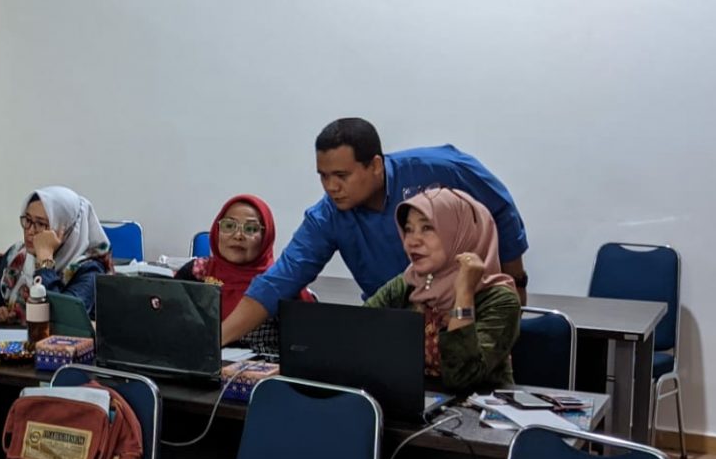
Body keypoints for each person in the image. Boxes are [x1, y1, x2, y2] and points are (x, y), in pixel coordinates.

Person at [221, 117, 529, 344]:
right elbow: (279, 281)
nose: (331, 187)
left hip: (467, 313)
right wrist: (215, 342)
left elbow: (501, 208)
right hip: (396, 326)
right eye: (323, 176)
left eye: (341, 175)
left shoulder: (439, 168)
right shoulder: (327, 216)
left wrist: (515, 283)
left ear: (376, 166)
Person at [366, 188, 521, 393]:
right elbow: (359, 335)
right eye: (409, 229)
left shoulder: (500, 300)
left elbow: (462, 377)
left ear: (460, 233)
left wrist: (464, 292)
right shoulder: (407, 284)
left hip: (475, 407)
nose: (412, 241)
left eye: (427, 228)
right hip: (412, 401)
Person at [0, 187, 112, 324]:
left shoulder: (90, 270)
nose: (30, 231)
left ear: (67, 230)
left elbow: (63, 321)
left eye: (41, 224)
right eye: (28, 220)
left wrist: (45, 260)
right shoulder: (16, 256)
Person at [173, 195, 282, 354]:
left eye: (251, 229)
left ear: (266, 237)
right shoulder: (196, 273)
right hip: (194, 363)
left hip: (259, 368)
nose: (238, 236)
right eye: (229, 225)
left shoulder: (280, 284)